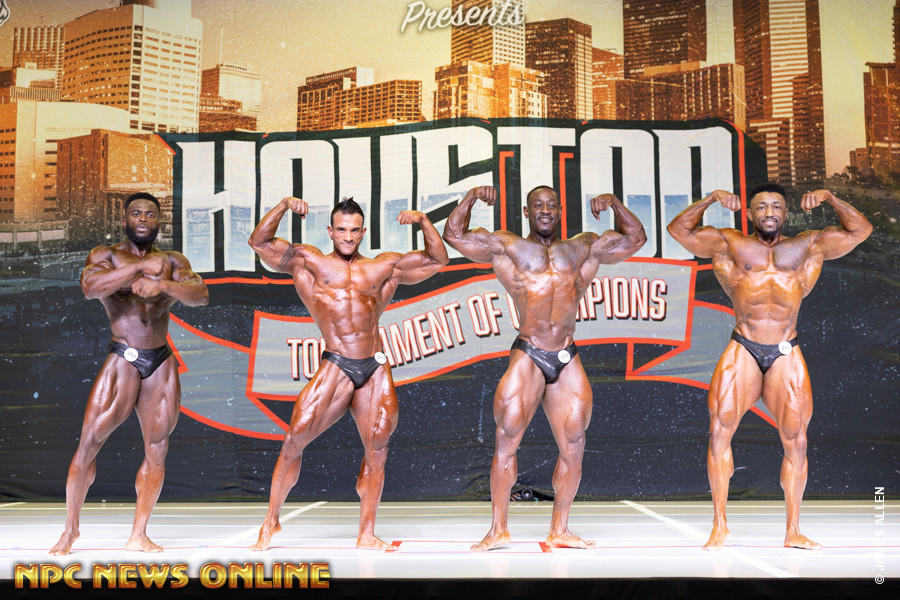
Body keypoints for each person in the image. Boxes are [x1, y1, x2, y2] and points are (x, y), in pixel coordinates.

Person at [666, 185, 872, 550]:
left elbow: (861, 230)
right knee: (719, 432)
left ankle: (793, 530)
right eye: (761, 207)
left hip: (785, 349)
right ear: (750, 214)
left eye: (776, 206)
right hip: (743, 346)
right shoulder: (730, 243)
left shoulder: (809, 245)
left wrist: (829, 198)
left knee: (796, 441)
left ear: (786, 213)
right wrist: (711, 199)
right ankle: (719, 525)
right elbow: (679, 230)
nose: (769, 211)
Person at [443, 185, 646, 551]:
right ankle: (498, 529)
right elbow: (455, 236)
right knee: (507, 438)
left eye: (552, 204)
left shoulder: (582, 247)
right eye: (538, 204)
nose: (545, 210)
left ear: (560, 210)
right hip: (529, 350)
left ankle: (560, 530)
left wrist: (615, 203)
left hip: (566, 353)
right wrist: (471, 197)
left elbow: (635, 239)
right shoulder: (508, 246)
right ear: (527, 211)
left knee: (574, 442)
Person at [248, 196, 449, 551]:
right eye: (341, 230)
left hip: (374, 366)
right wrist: (283, 206)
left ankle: (366, 533)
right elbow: (260, 242)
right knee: (294, 439)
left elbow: (438, 259)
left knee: (378, 448)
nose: (348, 236)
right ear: (330, 231)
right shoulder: (310, 263)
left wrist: (422, 221)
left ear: (363, 232)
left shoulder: (382, 267)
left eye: (354, 230)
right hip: (337, 362)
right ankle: (271, 521)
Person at [49, 192, 209, 555]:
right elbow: (90, 288)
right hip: (124, 355)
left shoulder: (172, 261)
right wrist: (140, 269)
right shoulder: (105, 255)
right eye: (136, 214)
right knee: (88, 445)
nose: (142, 219)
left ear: (158, 222)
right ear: (124, 220)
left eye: (149, 215)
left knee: (157, 450)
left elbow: (200, 294)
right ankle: (71, 529)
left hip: (160, 360)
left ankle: (139, 533)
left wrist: (162, 284)